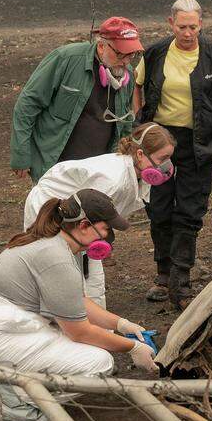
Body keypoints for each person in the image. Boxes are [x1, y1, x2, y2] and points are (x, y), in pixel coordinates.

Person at [0, 189, 157, 421]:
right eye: (105, 228)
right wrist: (132, 348)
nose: (108, 236)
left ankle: (22, 378)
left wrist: (121, 324)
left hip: (0, 331)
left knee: (94, 342)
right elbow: (79, 331)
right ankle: (15, 400)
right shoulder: (56, 257)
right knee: (99, 363)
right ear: (83, 225)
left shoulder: (56, 243)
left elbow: (76, 301)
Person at [133, 0, 212, 308]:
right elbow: (137, 87)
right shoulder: (154, 53)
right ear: (171, 24)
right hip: (160, 141)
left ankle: (182, 278)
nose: (188, 32)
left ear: (201, 25)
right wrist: (141, 124)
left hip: (199, 142)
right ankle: (162, 274)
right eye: (182, 26)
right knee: (159, 208)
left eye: (193, 26)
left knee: (190, 211)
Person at [24, 122, 176, 308]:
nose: (166, 166)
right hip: (50, 206)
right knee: (59, 273)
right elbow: (88, 214)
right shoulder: (113, 180)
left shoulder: (136, 173)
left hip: (82, 216)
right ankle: (63, 325)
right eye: (162, 159)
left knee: (92, 277)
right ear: (140, 154)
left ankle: (96, 328)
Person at [10, 16, 142, 183]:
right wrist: (21, 155)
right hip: (56, 167)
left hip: (100, 171)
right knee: (55, 209)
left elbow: (125, 127)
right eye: (121, 54)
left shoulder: (127, 74)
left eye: (131, 55)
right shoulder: (66, 59)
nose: (126, 62)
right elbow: (27, 105)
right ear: (101, 46)